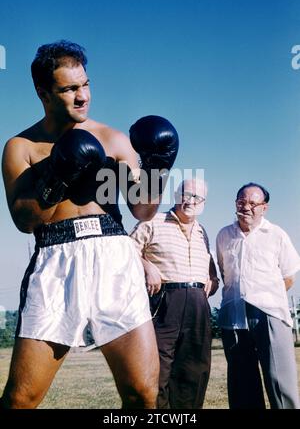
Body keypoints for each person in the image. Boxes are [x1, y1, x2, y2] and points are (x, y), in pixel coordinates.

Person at [0, 40, 179, 409]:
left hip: (114, 256)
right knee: (21, 399)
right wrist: (56, 176)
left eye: (85, 84)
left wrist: (158, 168)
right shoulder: (22, 147)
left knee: (143, 395)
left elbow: (142, 210)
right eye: (69, 89)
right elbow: (24, 220)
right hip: (56, 260)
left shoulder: (114, 140)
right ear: (43, 92)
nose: (82, 96)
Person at [130, 178, 219, 409]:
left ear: (204, 203)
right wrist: (147, 267)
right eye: (187, 194)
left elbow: (210, 269)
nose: (191, 201)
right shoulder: (152, 221)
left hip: (198, 305)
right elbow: (125, 253)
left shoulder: (202, 231)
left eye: (198, 197)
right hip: (164, 302)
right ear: (177, 194)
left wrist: (213, 279)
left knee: (194, 369)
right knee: (157, 368)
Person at [216, 182, 300, 409]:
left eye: (253, 203)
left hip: (269, 314)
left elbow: (289, 275)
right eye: (241, 202)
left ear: (264, 207)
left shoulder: (276, 234)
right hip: (233, 315)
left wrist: (267, 296)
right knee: (242, 385)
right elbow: (226, 273)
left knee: (280, 384)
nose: (246, 207)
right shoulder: (224, 235)